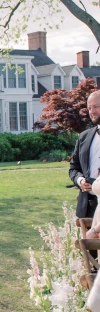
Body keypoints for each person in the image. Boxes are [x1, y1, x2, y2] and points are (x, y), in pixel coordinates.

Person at [69, 90, 100, 219]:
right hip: (87, 208)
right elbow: (74, 168)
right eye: (89, 108)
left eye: (96, 107)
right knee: (87, 239)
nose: (92, 111)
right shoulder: (83, 137)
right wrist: (80, 180)